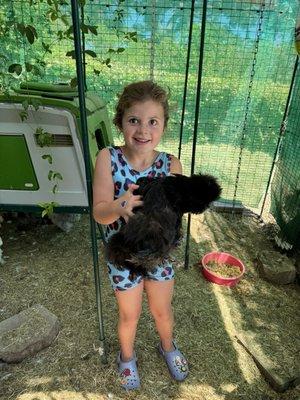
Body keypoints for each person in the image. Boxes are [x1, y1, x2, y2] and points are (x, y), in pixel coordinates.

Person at [93, 80, 189, 390]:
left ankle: (168, 345)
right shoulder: (107, 158)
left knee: (162, 310)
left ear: (163, 126)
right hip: (122, 256)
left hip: (159, 253)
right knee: (129, 314)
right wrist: (120, 206)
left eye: (152, 122)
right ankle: (127, 356)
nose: (143, 130)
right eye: (134, 120)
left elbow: (176, 217)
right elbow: (99, 212)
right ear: (120, 121)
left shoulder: (171, 165)